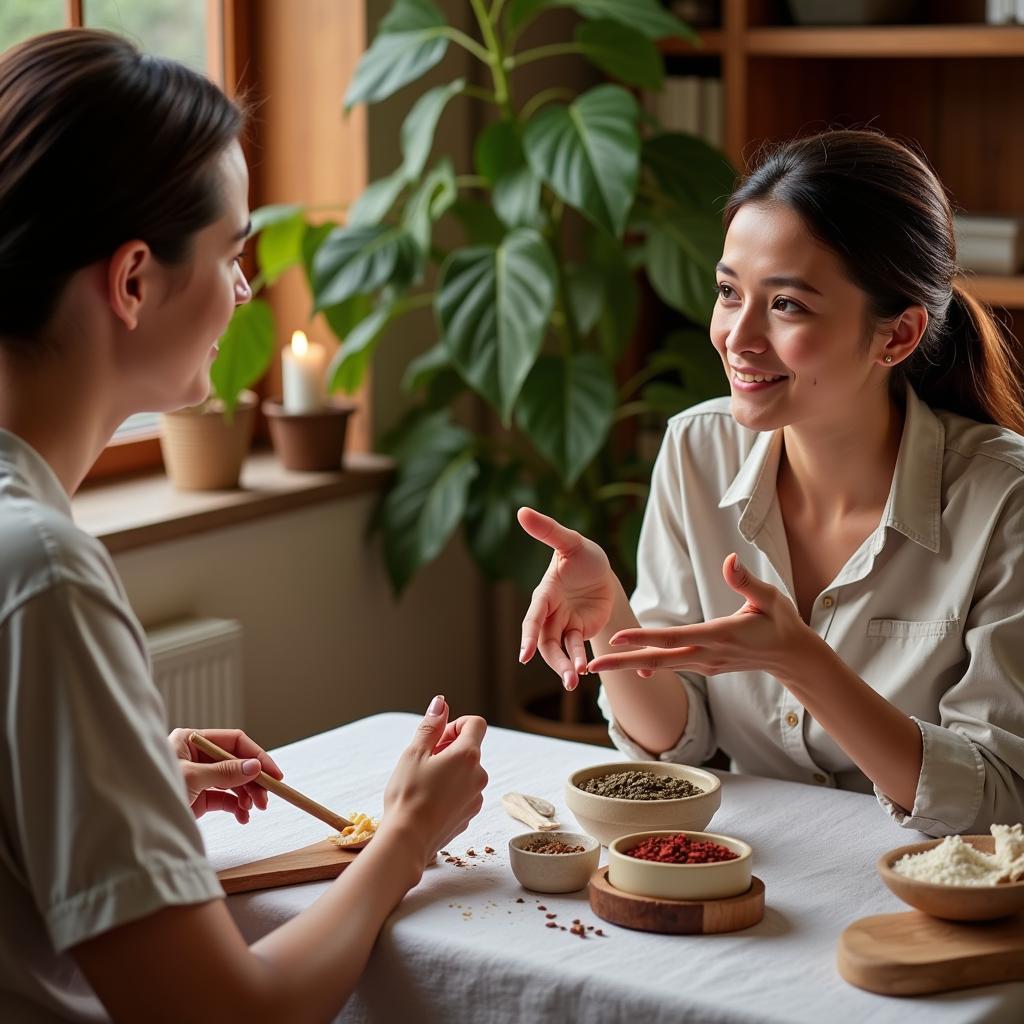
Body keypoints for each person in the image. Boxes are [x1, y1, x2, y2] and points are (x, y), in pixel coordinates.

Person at [0, 29, 487, 1023]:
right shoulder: (44, 569)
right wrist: (405, 836)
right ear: (133, 280)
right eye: (232, 254)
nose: (245, 289)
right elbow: (224, 1014)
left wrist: (123, 776)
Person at [519, 129, 1024, 839]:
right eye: (729, 292)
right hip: (759, 872)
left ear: (898, 335)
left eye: (786, 305)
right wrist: (612, 619)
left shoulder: (1005, 498)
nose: (738, 336)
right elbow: (678, 740)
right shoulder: (697, 449)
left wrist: (801, 660)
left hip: (923, 903)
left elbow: (999, 793)